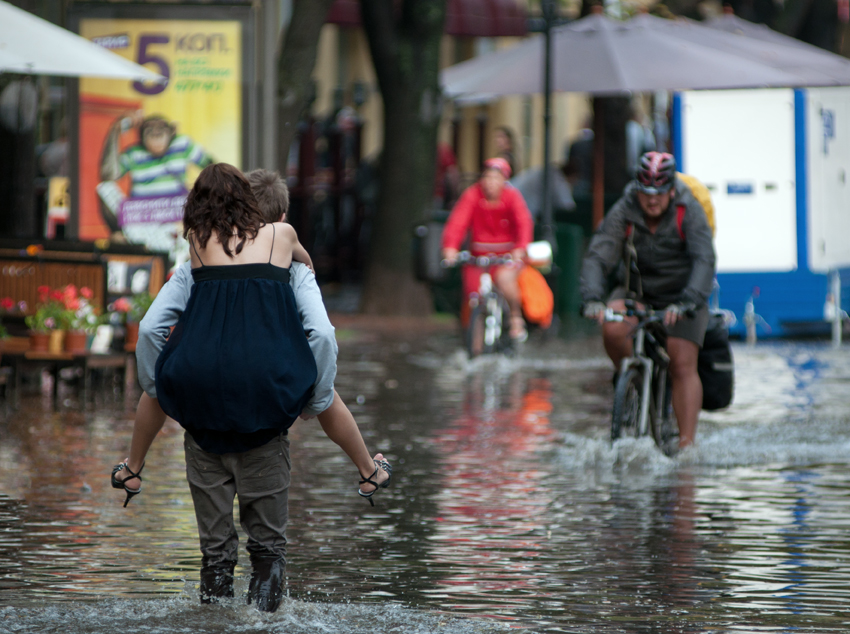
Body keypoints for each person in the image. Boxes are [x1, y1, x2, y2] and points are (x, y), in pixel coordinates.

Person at [111, 165, 391, 611]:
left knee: (216, 557)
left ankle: (133, 472)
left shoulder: (196, 248)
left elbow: (149, 330)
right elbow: (320, 334)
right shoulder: (284, 244)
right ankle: (368, 474)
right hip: (264, 409)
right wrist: (310, 393)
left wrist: (159, 387)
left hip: (201, 412)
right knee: (267, 552)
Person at [579, 152, 716, 449]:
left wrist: (688, 301)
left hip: (682, 297)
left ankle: (686, 445)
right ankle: (632, 380)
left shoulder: (688, 210)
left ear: (670, 190)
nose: (651, 201)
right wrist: (592, 298)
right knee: (613, 327)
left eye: (658, 194)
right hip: (637, 293)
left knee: (681, 360)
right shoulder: (625, 208)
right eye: (646, 194)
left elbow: (704, 260)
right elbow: (598, 255)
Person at [441, 157, 534, 341]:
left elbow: (524, 223)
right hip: (479, 257)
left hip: (506, 257)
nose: (490, 183)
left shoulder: (512, 197)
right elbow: (457, 223)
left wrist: (520, 248)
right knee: (473, 294)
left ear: (504, 181)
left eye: (496, 178)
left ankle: (515, 318)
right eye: (487, 177)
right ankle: (474, 342)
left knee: (505, 280)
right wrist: (450, 248)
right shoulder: (472, 195)